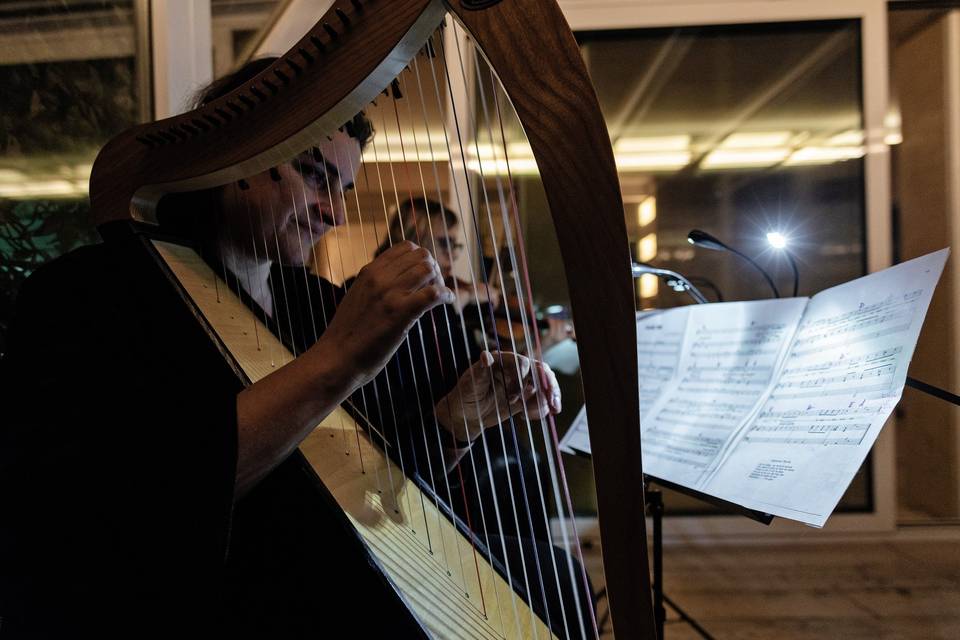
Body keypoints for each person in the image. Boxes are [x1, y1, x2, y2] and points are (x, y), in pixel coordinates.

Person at [0, 57, 589, 637]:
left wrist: (455, 424)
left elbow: (365, 489)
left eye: (345, 187)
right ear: (237, 158)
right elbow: (142, 505)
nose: (333, 212)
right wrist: (338, 360)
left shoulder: (314, 301)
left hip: (309, 573)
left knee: (554, 576)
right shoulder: (88, 295)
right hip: (187, 604)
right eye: (315, 175)